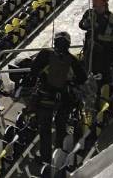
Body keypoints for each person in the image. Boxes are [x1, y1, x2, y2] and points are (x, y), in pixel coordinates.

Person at [24, 31, 86, 164]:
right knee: (60, 126)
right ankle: (59, 155)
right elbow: (82, 78)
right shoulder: (73, 60)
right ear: (68, 45)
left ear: (55, 42)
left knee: (45, 128)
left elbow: (33, 71)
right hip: (65, 99)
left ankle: (45, 158)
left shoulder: (45, 54)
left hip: (46, 96)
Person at [79, 0, 113, 86]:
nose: (98, 8)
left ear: (105, 5)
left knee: (105, 73)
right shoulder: (90, 14)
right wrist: (86, 23)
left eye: (100, 6)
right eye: (96, 6)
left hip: (107, 53)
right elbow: (81, 25)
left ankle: (111, 80)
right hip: (90, 53)